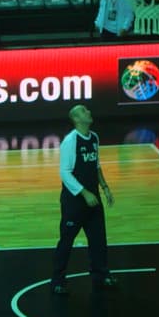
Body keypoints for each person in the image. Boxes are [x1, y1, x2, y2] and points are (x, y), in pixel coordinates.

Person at [50, 104, 116, 295]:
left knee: (98, 240)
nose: (89, 112)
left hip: (93, 199)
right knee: (66, 241)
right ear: (77, 119)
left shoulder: (94, 137)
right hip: (75, 202)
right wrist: (85, 193)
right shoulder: (70, 141)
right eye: (84, 111)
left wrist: (105, 187)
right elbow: (65, 172)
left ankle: (101, 274)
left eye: (87, 110)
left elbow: (96, 165)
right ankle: (57, 280)